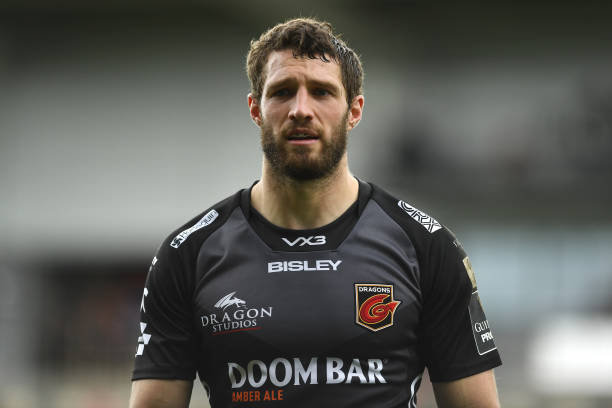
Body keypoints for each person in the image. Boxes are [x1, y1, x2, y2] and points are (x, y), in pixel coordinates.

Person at [129, 17, 502, 408]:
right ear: (256, 108)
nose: (301, 109)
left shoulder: (426, 246)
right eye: (283, 92)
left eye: (322, 92)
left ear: (354, 111)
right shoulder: (187, 255)